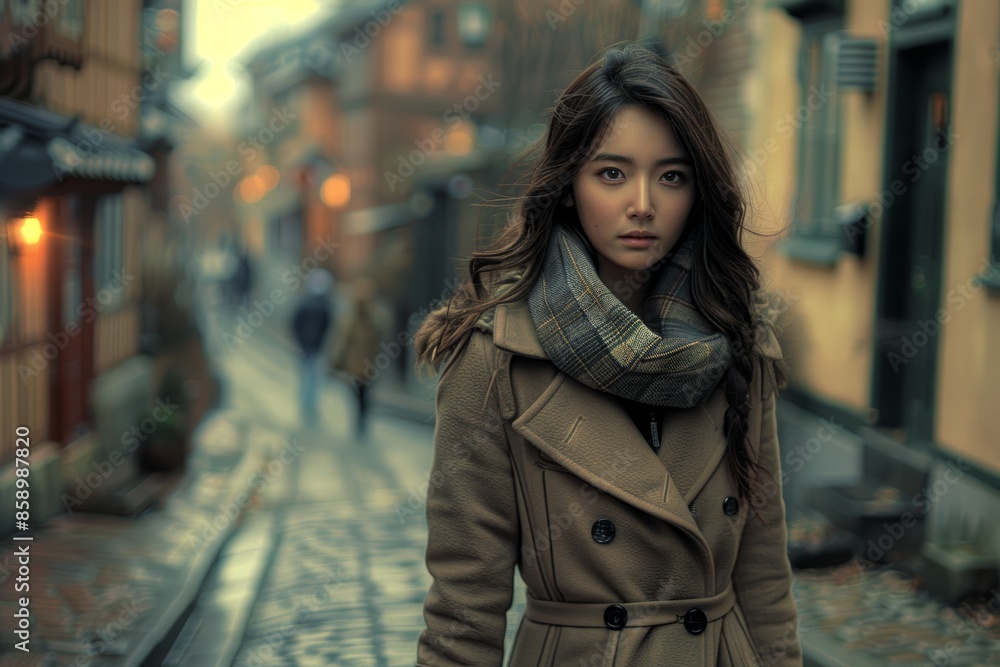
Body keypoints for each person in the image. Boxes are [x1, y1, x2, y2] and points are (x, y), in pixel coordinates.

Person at [412, 44, 801, 666]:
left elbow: (764, 575)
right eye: (612, 173)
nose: (642, 203)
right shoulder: (495, 359)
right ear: (568, 187)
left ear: (698, 192)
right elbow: (464, 608)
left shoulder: (737, 340)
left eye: (671, 176)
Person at [328, 277, 383, 437]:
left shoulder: (374, 319)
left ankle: (361, 419)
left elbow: (378, 341)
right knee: (357, 393)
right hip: (356, 364)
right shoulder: (351, 319)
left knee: (364, 394)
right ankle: (360, 418)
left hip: (368, 365)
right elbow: (343, 340)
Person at [292, 269, 333, 424]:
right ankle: (310, 403)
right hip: (314, 347)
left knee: (306, 375)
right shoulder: (324, 305)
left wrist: (300, 341)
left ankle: (305, 403)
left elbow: (294, 322)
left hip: (308, 346)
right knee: (312, 376)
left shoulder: (306, 302)